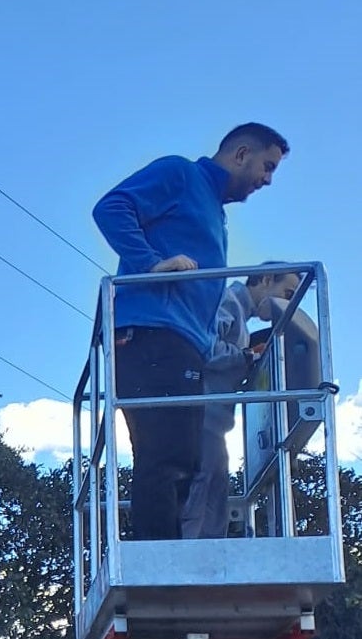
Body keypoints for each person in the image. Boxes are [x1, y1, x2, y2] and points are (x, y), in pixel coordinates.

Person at [92, 123, 289, 540]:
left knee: (182, 456)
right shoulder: (181, 174)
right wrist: (149, 263)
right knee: (168, 455)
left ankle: (167, 559)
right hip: (152, 335)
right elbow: (111, 207)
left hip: (183, 344)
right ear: (240, 154)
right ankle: (158, 570)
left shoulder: (214, 213)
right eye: (266, 167)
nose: (267, 180)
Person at [180, 268, 304, 539]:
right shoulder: (228, 302)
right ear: (267, 279)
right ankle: (185, 560)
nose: (286, 304)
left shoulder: (241, 319)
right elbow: (205, 348)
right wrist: (247, 357)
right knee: (202, 491)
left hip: (216, 419)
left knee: (215, 495)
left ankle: (210, 561)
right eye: (287, 294)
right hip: (204, 414)